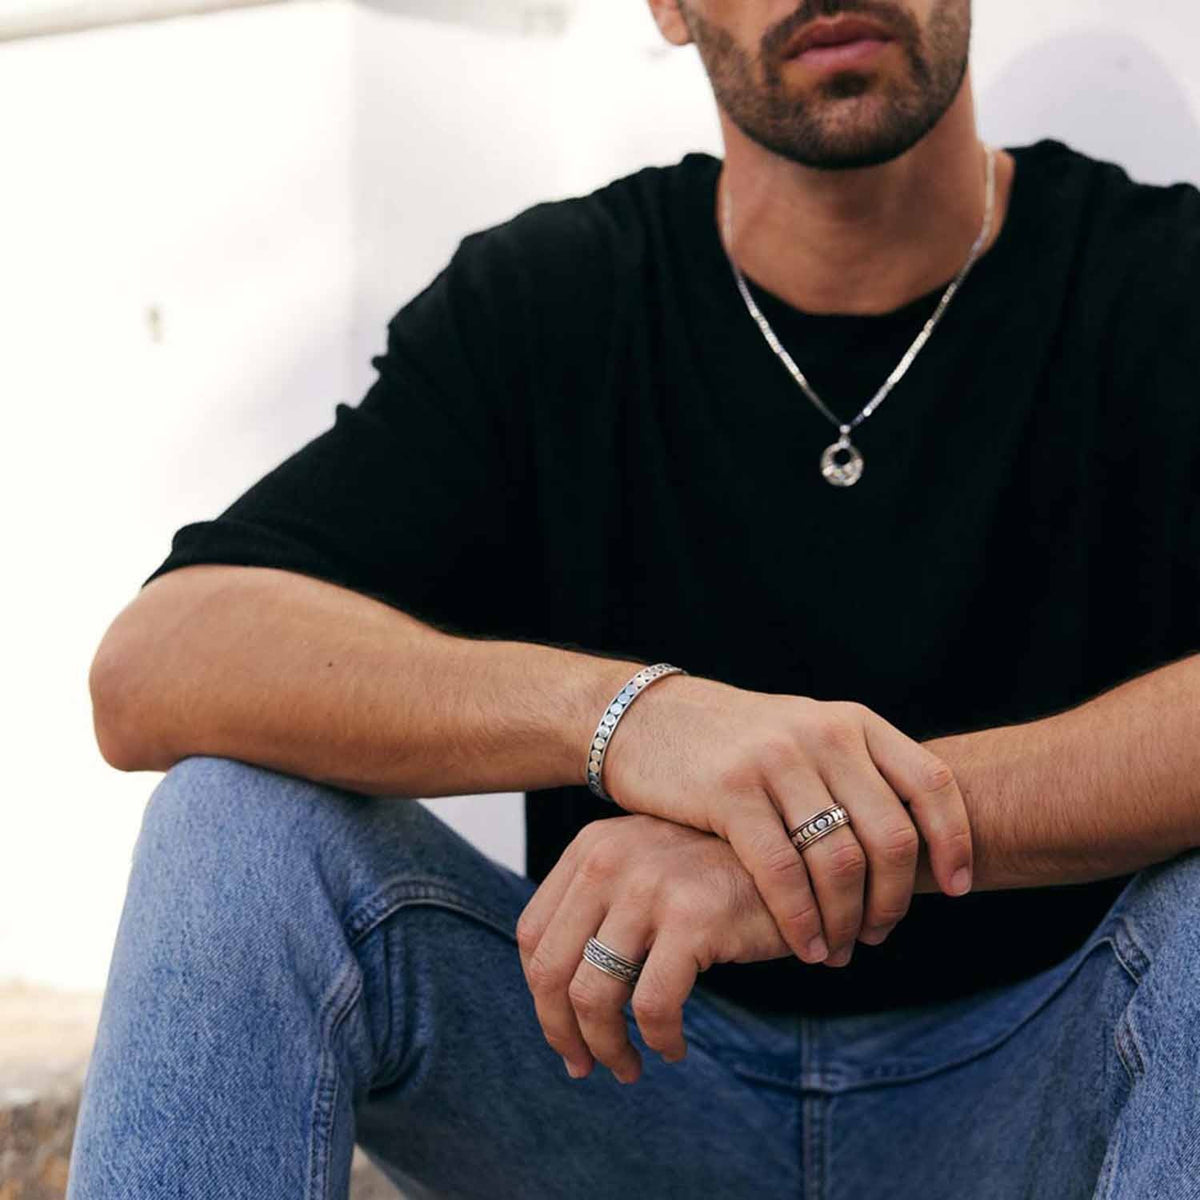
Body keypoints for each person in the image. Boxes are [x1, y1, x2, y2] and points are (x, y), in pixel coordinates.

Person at [71, 0, 1200, 1196]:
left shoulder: (1160, 282)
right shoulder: (557, 296)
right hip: (616, 1080)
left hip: (1052, 1093)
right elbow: (157, 663)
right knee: (232, 823)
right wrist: (634, 719)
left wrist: (788, 851)